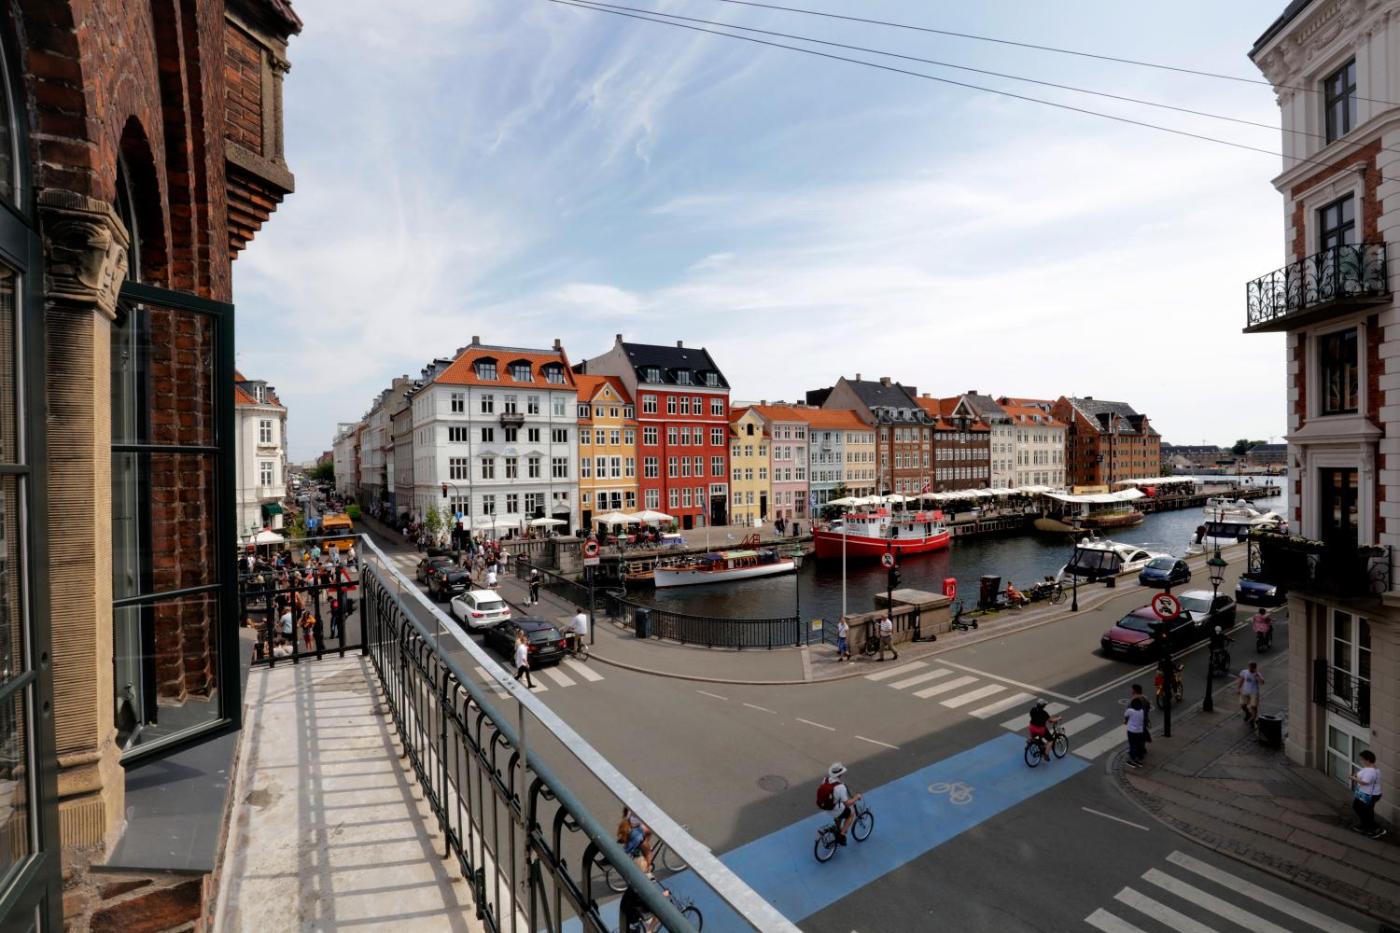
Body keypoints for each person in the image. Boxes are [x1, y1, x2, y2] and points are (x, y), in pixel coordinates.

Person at [1352, 750, 1385, 838]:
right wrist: (1356, 775)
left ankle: (1373, 829)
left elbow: (1365, 782)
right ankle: (1366, 825)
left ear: (1368, 760)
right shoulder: (1373, 768)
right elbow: (1362, 774)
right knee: (1361, 808)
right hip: (1368, 793)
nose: (1361, 761)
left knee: (1364, 810)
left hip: (1369, 795)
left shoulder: (1370, 771)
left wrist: (1353, 778)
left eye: (1362, 759)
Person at [826, 762, 859, 845]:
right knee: (851, 814)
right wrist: (856, 798)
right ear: (840, 774)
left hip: (826, 806)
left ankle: (838, 827)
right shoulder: (841, 787)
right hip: (834, 808)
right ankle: (841, 834)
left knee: (840, 811)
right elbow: (847, 803)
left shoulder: (826, 779)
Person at [1125, 696, 1148, 767]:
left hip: (1131, 731)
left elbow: (1125, 715)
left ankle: (1132, 760)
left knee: (1132, 745)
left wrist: (1126, 721)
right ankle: (1139, 759)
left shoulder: (1130, 711)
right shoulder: (1142, 711)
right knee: (1138, 744)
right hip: (1139, 731)